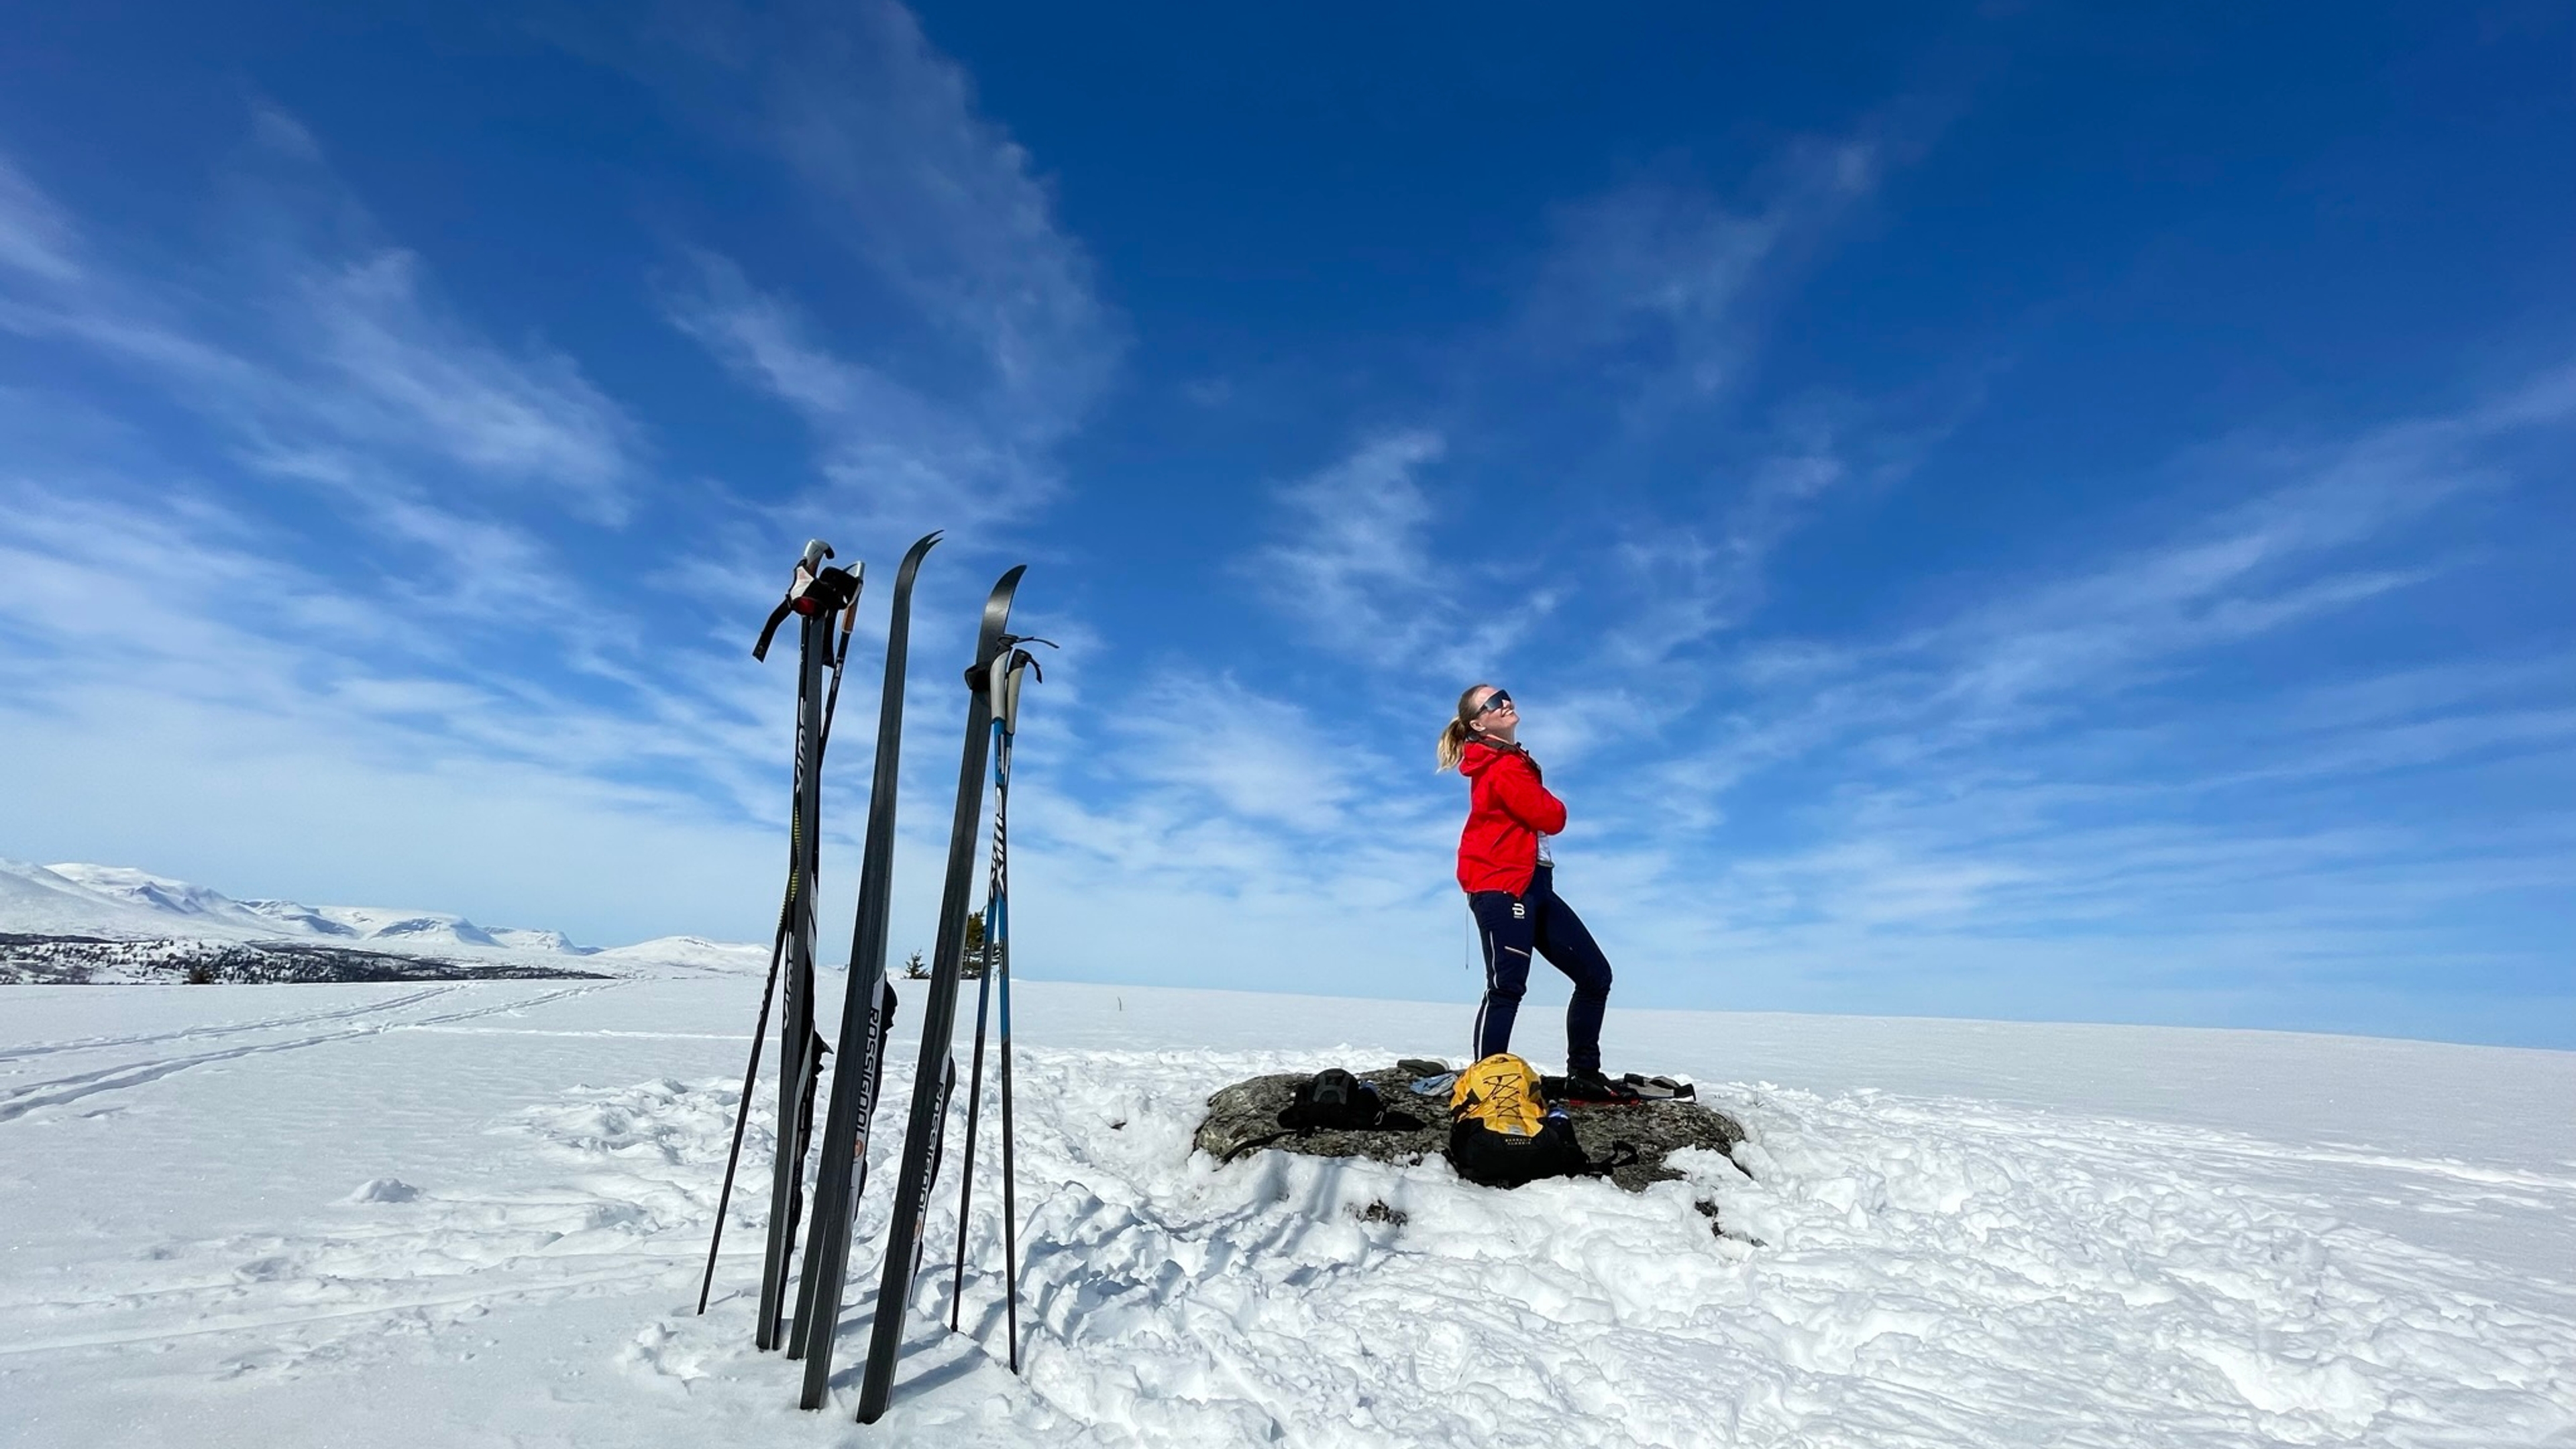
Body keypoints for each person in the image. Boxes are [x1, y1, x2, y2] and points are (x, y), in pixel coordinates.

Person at [1438, 683, 1638, 1104]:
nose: (1505, 703)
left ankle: (1585, 1074)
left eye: (1505, 695)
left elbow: (1542, 816)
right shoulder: (1501, 766)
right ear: (1479, 723)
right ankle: (1487, 1086)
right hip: (1500, 884)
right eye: (1493, 703)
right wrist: (1551, 802)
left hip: (1536, 883)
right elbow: (1550, 815)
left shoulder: (1512, 761)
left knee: (1594, 974)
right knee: (1507, 986)